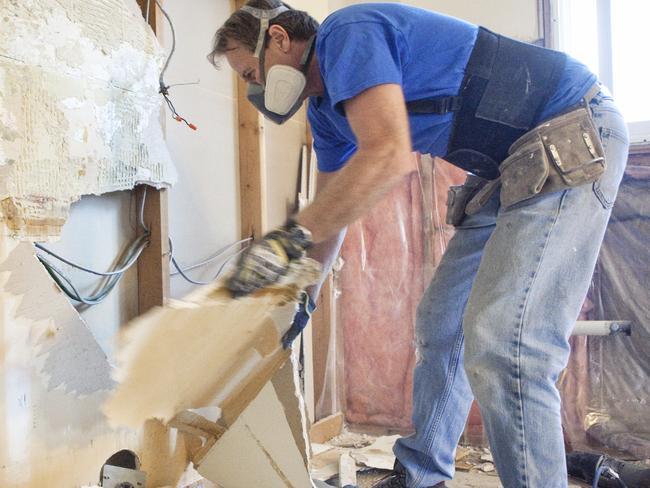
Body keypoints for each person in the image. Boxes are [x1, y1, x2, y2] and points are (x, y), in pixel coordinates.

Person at [209, 1, 629, 487]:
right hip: (510, 166)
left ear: (279, 39)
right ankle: (421, 475)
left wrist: (285, 241)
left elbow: (387, 155)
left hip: (570, 127)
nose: (254, 91)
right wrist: (302, 293)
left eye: (248, 73)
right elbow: (331, 213)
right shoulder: (326, 113)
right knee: (442, 322)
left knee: (504, 342)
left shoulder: (347, 33)